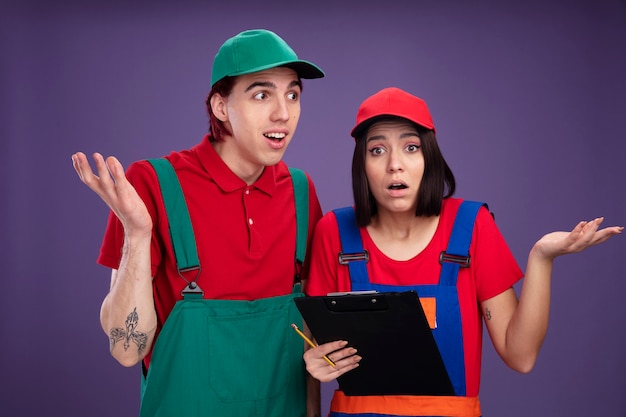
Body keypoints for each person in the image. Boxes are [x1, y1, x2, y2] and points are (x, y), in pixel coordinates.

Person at [301, 87, 623, 417]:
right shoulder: (334, 233)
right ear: (362, 165)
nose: (394, 165)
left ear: (429, 157)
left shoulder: (471, 228)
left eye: (411, 147)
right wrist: (313, 360)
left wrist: (542, 257)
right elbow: (308, 350)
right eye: (377, 150)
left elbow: (520, 356)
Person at [71, 29, 325, 417]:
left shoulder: (302, 193)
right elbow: (127, 350)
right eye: (262, 94)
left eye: (292, 94)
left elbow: (309, 345)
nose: (283, 113)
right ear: (221, 106)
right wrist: (138, 235)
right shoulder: (153, 183)